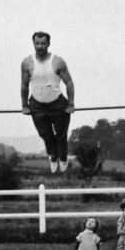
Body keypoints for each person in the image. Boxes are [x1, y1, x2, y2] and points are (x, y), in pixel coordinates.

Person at [21, 31, 75, 174]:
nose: (40, 46)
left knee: (61, 134)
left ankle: (62, 156)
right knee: (45, 133)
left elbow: (69, 82)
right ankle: (53, 155)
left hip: (57, 103)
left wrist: (71, 104)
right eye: (37, 43)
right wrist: (24, 105)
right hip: (37, 104)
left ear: (48, 44)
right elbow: (24, 85)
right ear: (33, 43)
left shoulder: (57, 62)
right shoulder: (27, 63)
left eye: (43, 43)